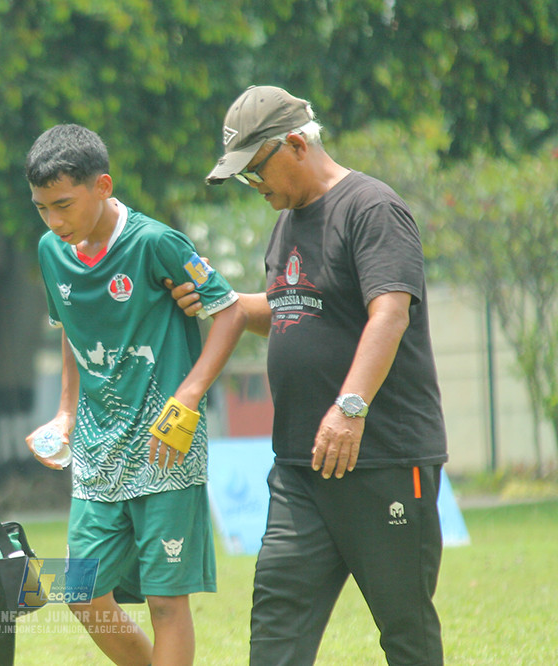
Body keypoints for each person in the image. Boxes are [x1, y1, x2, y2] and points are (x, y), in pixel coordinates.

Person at [169, 85, 448, 665]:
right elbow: (292, 306)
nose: (255, 187)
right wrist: (220, 301)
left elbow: (389, 311)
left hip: (383, 459)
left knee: (406, 631)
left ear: (295, 144)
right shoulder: (288, 220)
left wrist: (350, 408)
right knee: (275, 634)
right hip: (299, 467)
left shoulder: (371, 208)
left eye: (256, 172)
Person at [24, 124, 247, 665]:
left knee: (166, 602)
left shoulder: (155, 242)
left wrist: (189, 397)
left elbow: (231, 311)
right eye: (41, 208)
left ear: (102, 186)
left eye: (63, 205)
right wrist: (66, 413)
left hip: (164, 446)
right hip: (98, 456)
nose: (54, 221)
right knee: (81, 594)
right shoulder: (52, 251)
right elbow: (71, 331)